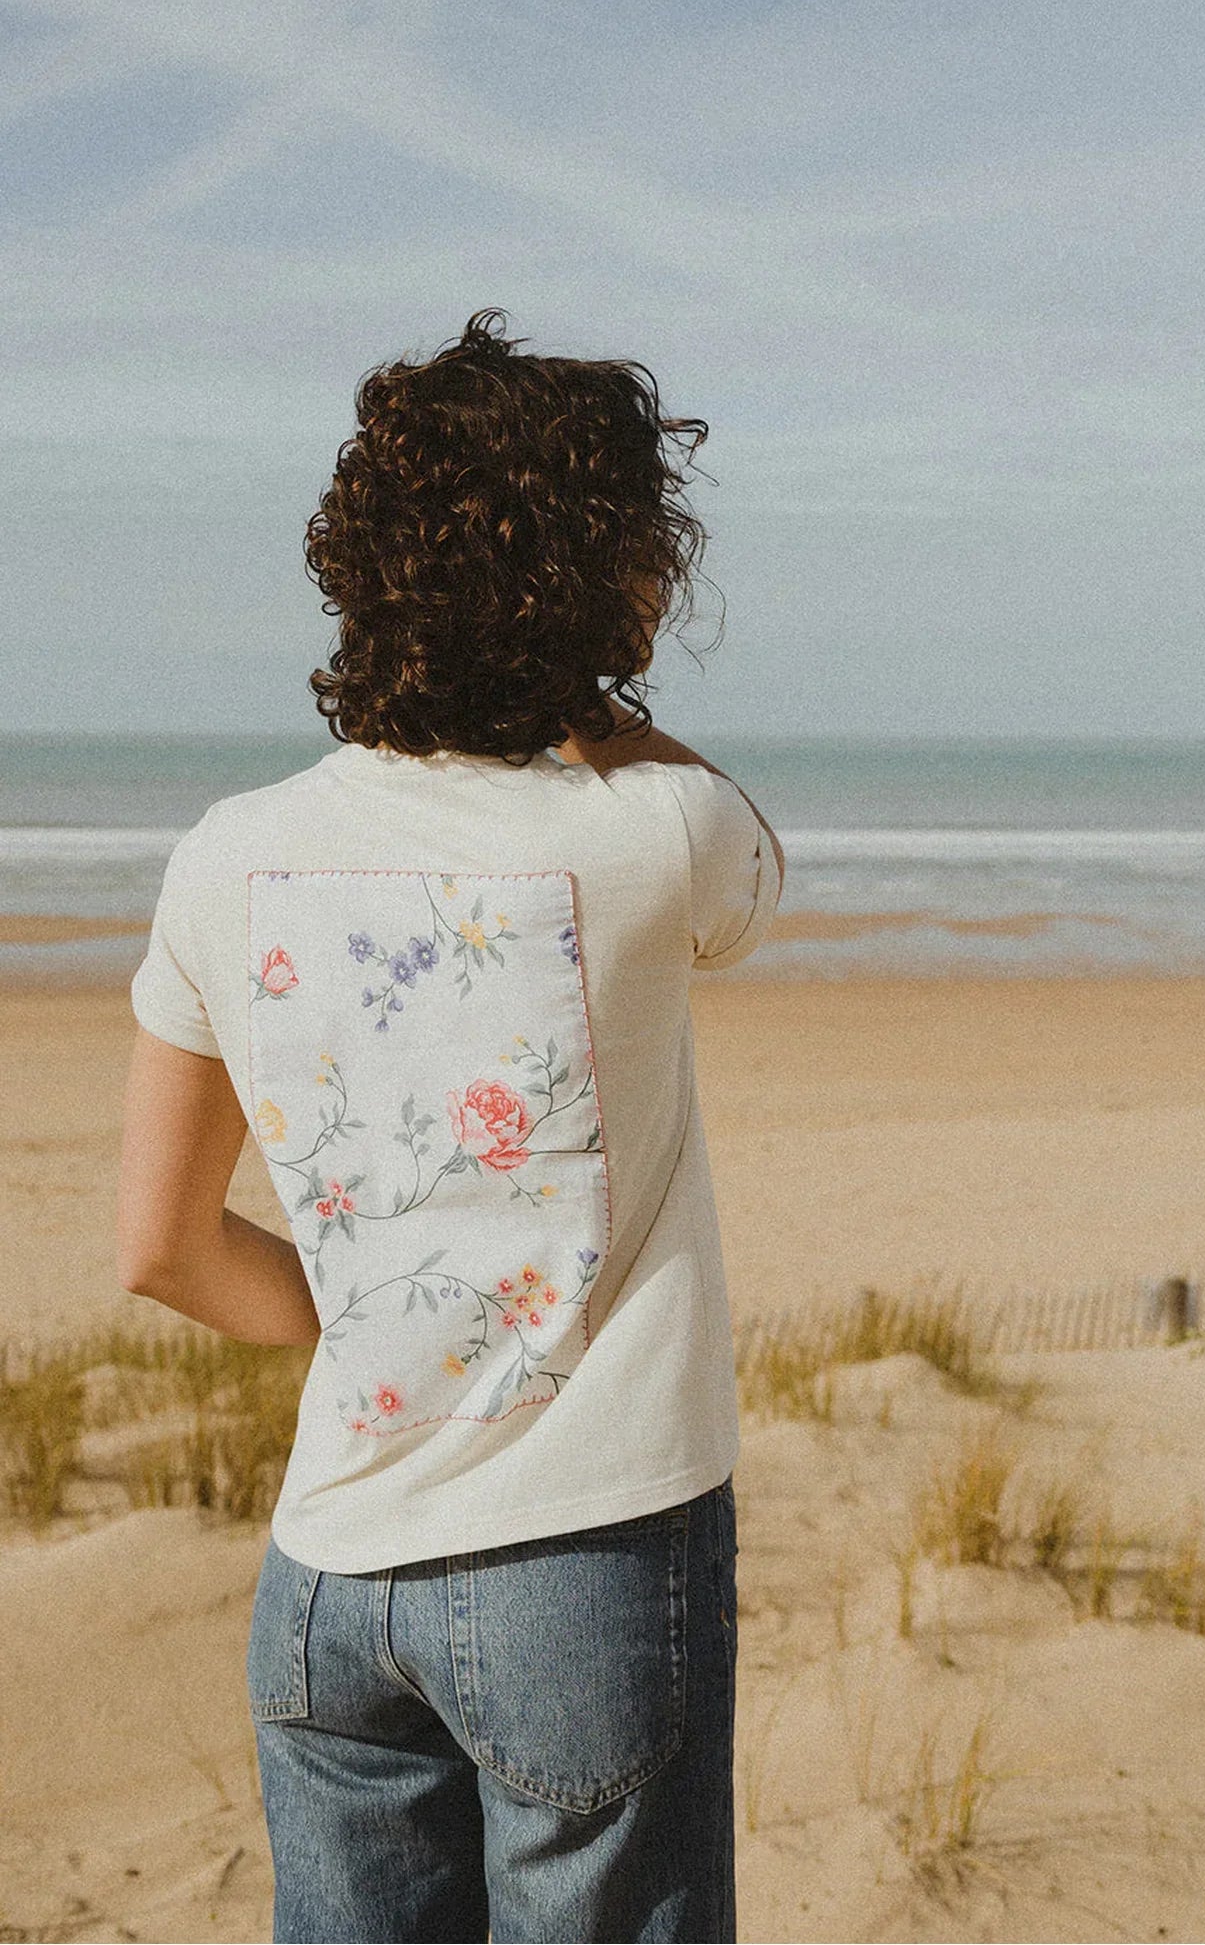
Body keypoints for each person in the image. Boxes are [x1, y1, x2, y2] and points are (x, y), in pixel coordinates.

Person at [115, 309, 785, 1945]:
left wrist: (375, 1340)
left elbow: (158, 1246)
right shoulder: (652, 833)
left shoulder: (227, 854)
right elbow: (754, 864)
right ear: (600, 580)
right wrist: (587, 698)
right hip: (590, 1566)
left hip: (331, 1577)